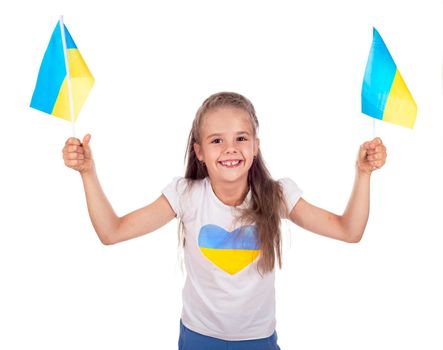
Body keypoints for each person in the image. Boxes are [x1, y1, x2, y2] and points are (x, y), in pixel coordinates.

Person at [62, 92, 387, 349]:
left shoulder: (277, 195)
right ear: (200, 151)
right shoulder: (186, 194)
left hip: (258, 340)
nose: (230, 148)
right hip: (198, 338)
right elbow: (111, 231)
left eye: (241, 138)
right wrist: (87, 172)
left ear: (256, 147)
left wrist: (363, 174)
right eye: (217, 140)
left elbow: (349, 230)